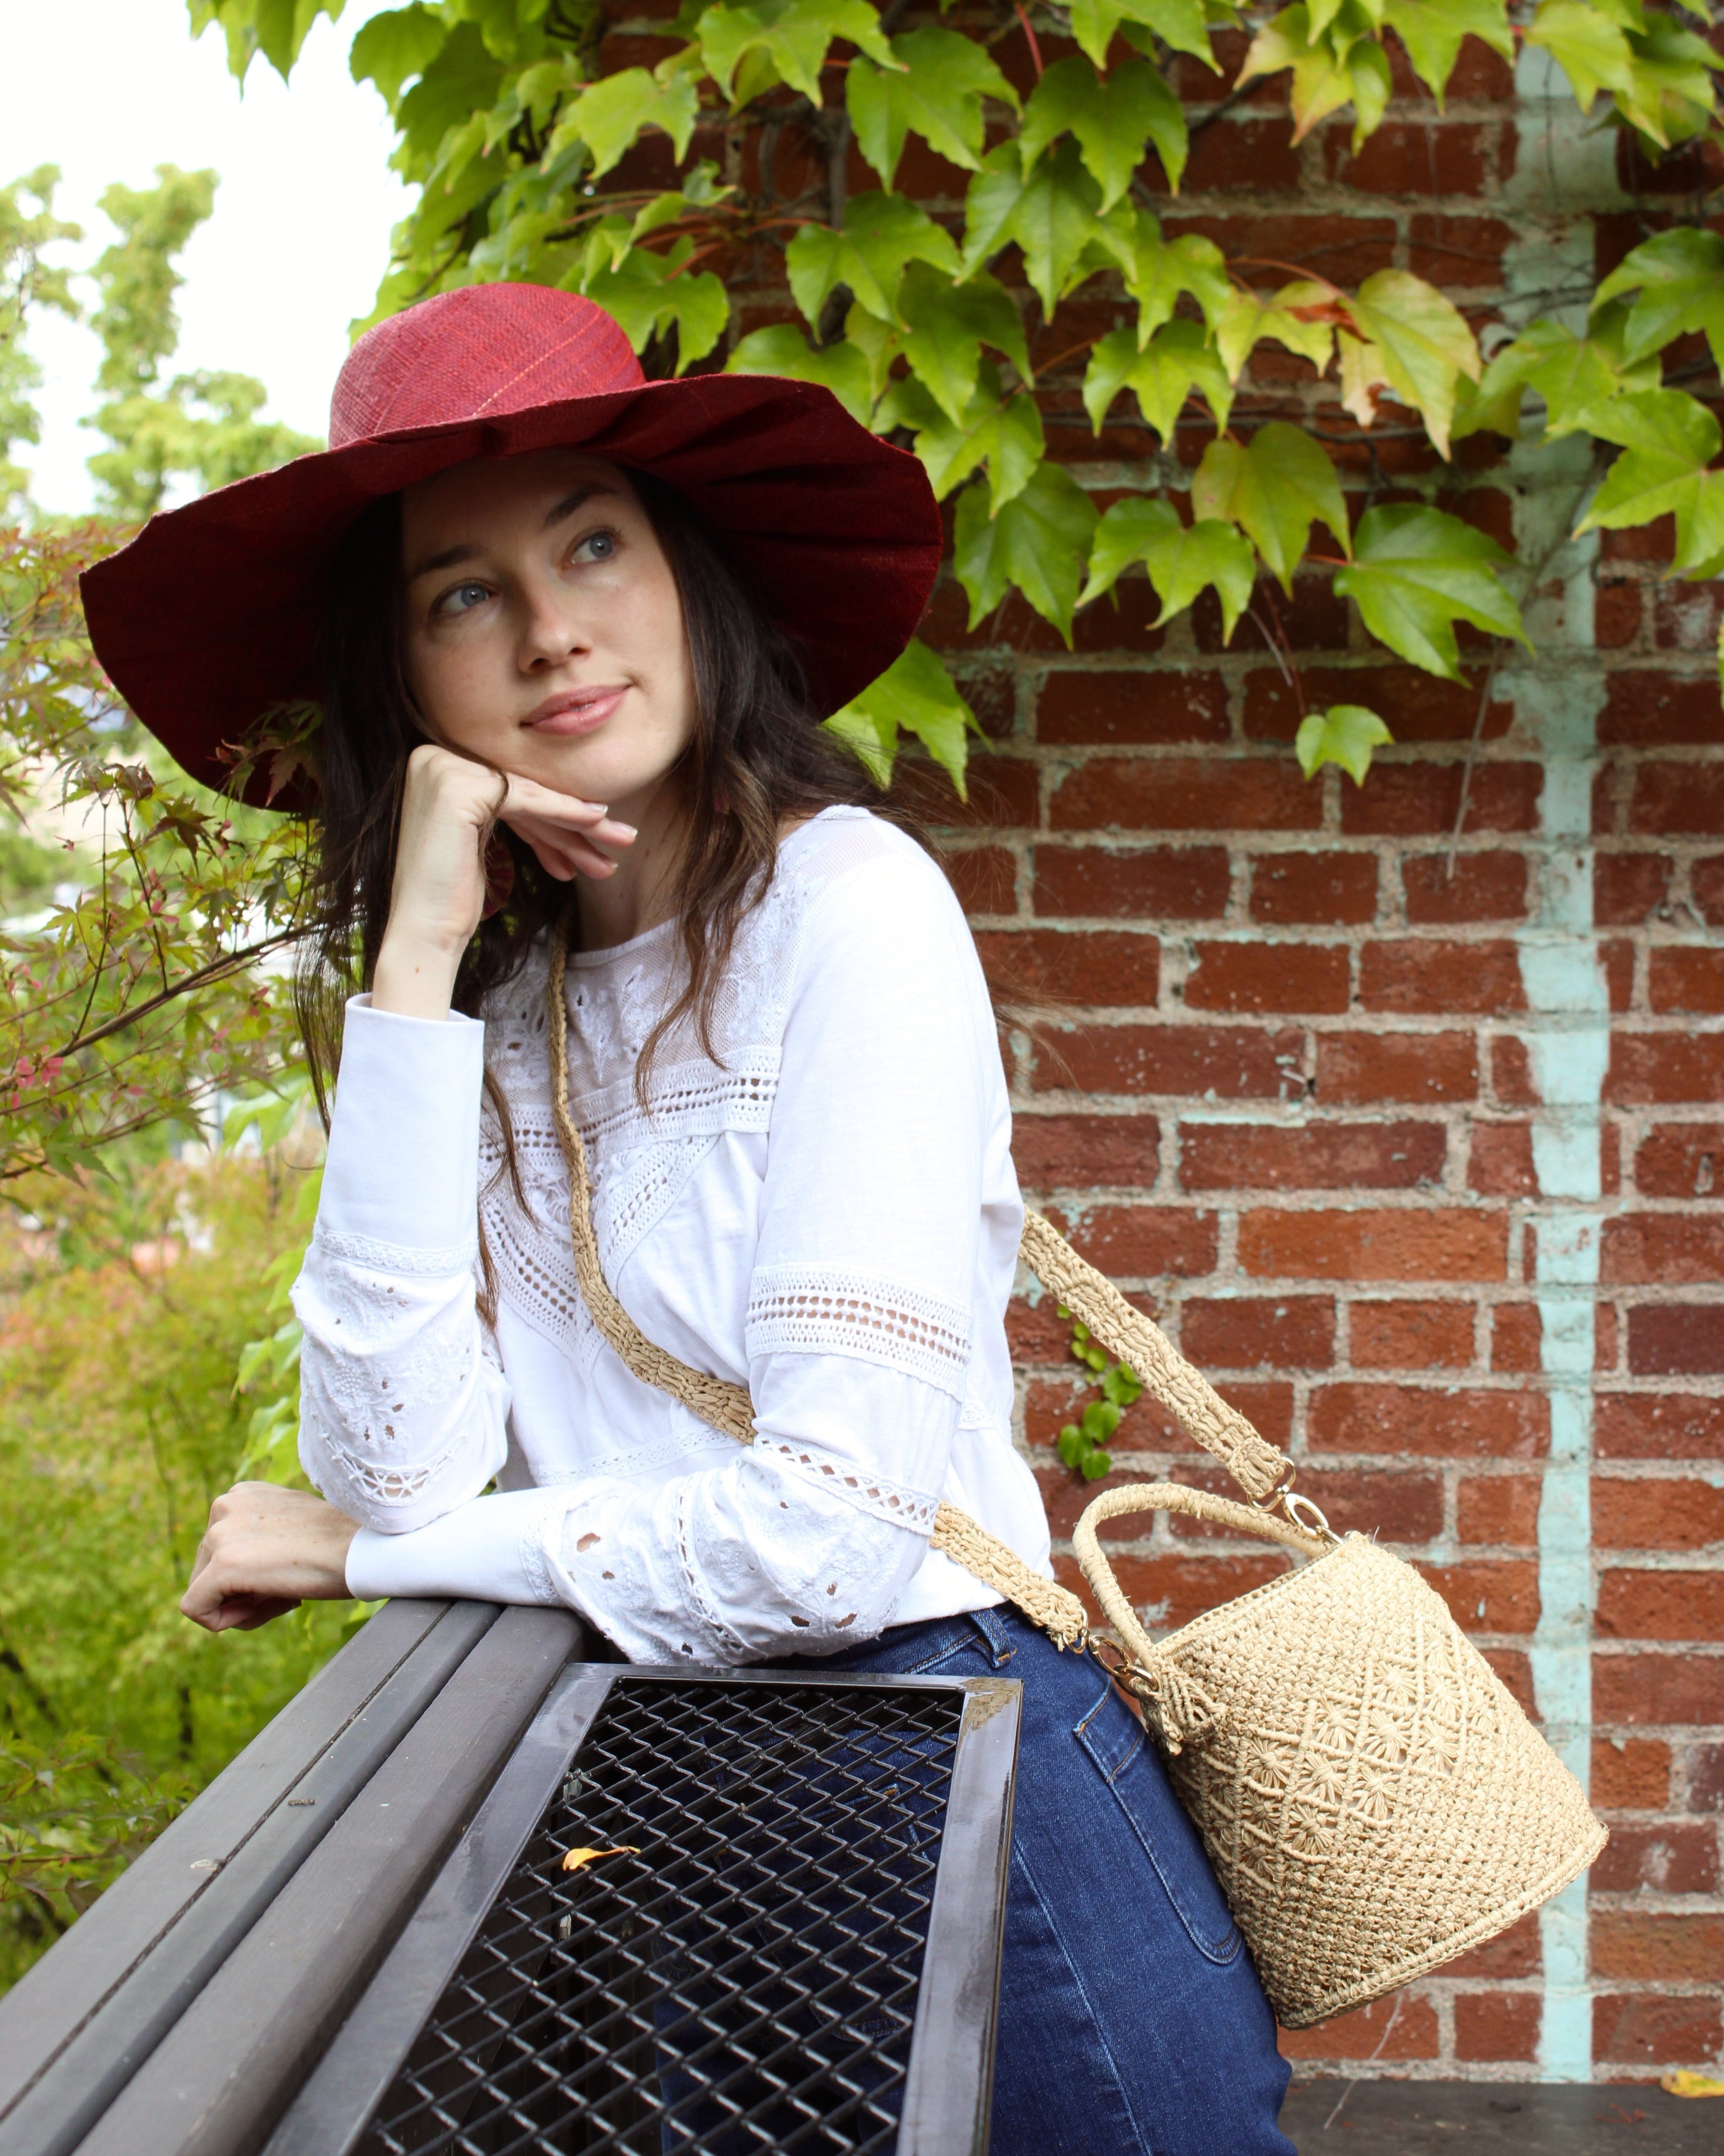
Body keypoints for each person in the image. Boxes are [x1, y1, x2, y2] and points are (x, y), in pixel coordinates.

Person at [83, 283, 1294, 2156]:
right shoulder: (492, 1026)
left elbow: (820, 1542)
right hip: (678, 1825)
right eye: (462, 592)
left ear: (685, 580)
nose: (553, 625)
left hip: (963, 1794)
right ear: (409, 687)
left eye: (593, 543)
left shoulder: (851, 911)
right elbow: (397, 1461)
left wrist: (366, 1568)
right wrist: (411, 958)